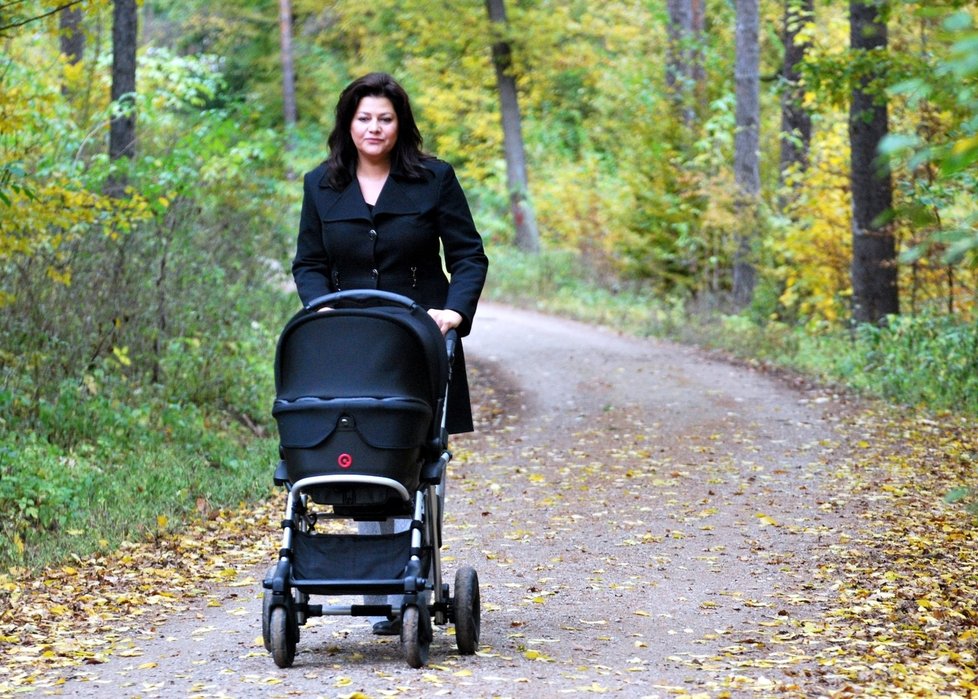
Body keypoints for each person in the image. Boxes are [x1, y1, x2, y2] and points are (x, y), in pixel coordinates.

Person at [291, 72, 488, 635]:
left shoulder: (434, 180)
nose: (374, 128)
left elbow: (470, 256)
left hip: (419, 343)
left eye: (385, 118)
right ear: (347, 125)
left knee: (414, 459)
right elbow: (308, 263)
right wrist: (321, 309)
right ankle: (379, 580)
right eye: (363, 118)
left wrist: (454, 312)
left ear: (400, 125)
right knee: (357, 449)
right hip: (346, 343)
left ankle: (413, 575)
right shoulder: (320, 186)